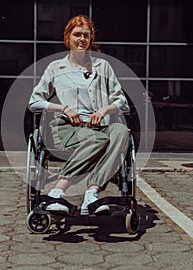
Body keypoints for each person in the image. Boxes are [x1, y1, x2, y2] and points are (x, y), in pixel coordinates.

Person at [29, 15, 130, 215]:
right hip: (69, 128)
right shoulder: (56, 68)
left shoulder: (103, 67)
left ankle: (91, 195)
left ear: (91, 39)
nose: (81, 39)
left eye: (86, 35)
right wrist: (63, 108)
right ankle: (57, 193)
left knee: (121, 131)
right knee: (98, 139)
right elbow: (34, 101)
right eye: (77, 34)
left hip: (99, 126)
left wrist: (103, 110)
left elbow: (122, 102)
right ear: (68, 38)